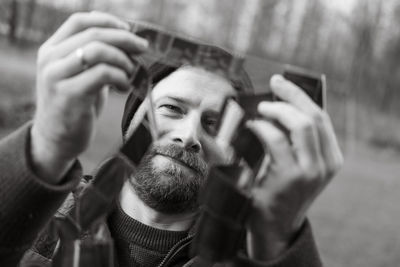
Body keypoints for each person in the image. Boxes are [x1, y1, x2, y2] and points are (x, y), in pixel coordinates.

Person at [0, 11, 343, 267]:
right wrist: (46, 146)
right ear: (132, 121)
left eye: (216, 124)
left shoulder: (254, 254)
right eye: (172, 109)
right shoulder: (42, 218)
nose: (188, 136)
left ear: (237, 155)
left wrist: (279, 235)